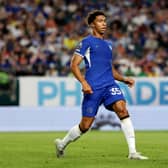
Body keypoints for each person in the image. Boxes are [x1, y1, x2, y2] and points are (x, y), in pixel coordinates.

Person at [54, 10, 148, 160]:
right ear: (92, 24)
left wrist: (124, 79)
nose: (104, 23)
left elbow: (109, 69)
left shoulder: (108, 45)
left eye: (105, 20)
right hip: (93, 88)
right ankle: (62, 144)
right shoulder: (86, 42)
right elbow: (74, 65)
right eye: (100, 21)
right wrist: (84, 83)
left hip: (109, 85)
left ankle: (133, 152)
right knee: (85, 126)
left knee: (122, 109)